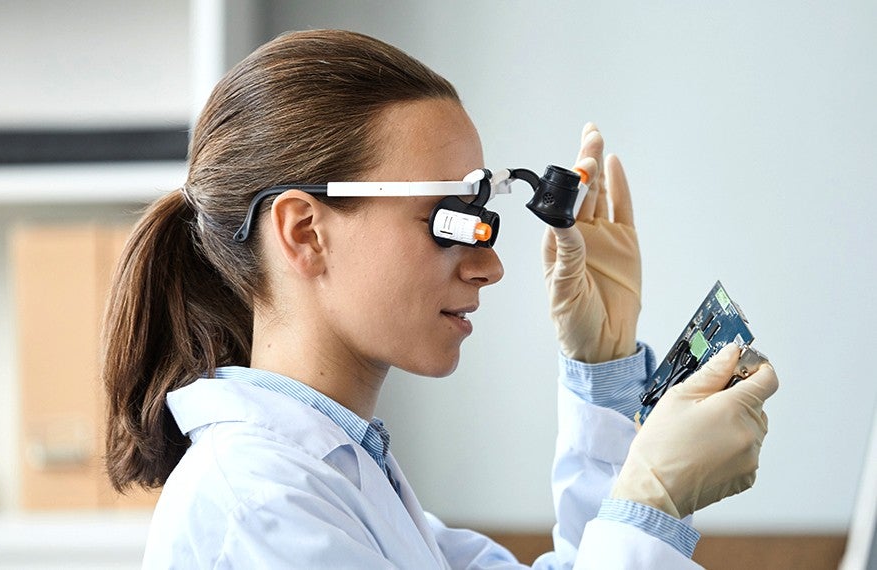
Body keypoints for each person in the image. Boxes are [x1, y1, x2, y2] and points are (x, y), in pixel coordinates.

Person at [102, 29, 779, 568]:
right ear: (305, 232)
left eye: (485, 219)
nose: (489, 267)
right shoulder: (257, 508)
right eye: (450, 221)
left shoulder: (350, 478)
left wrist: (602, 373)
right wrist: (652, 500)